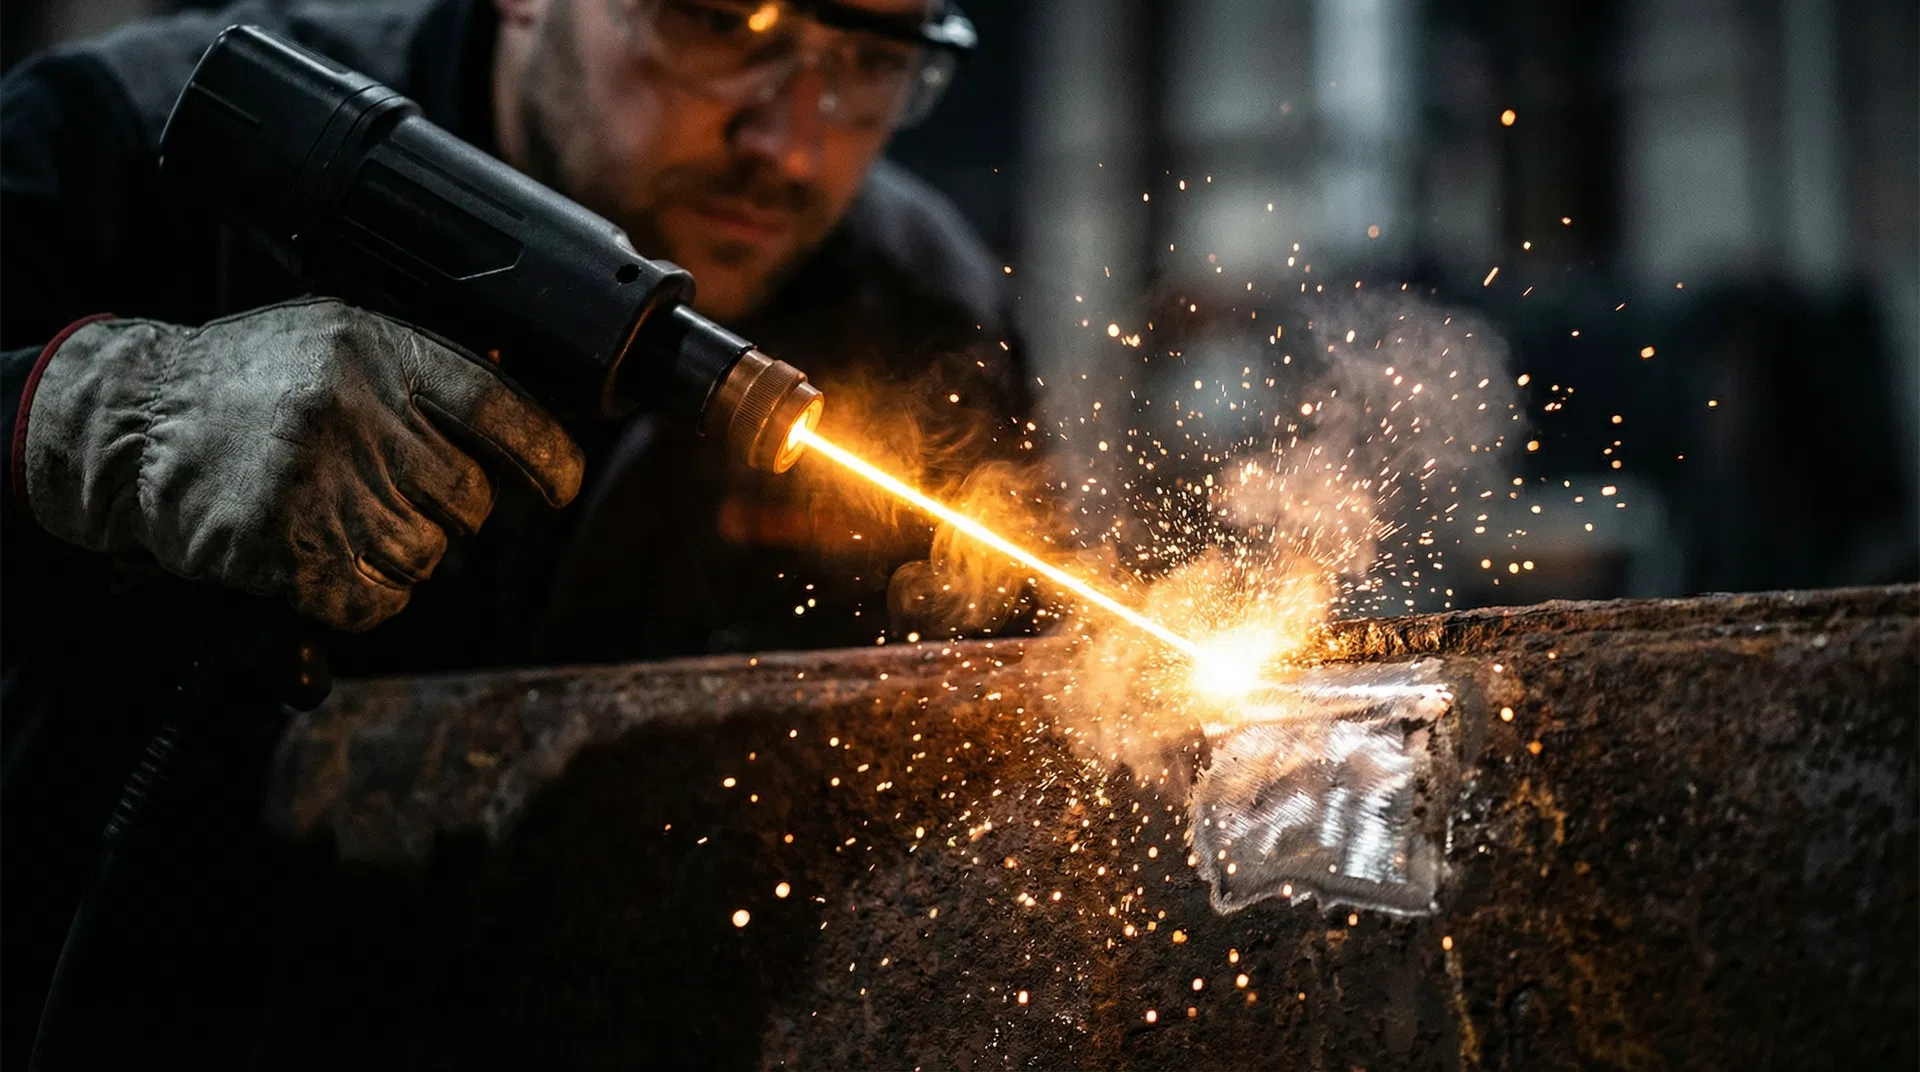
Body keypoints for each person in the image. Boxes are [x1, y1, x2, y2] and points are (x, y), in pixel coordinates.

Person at [0, 0, 1030, 1056]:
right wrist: (108, 418)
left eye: (870, 61)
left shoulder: (922, 310)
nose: (794, 146)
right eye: (724, 23)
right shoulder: (119, 143)